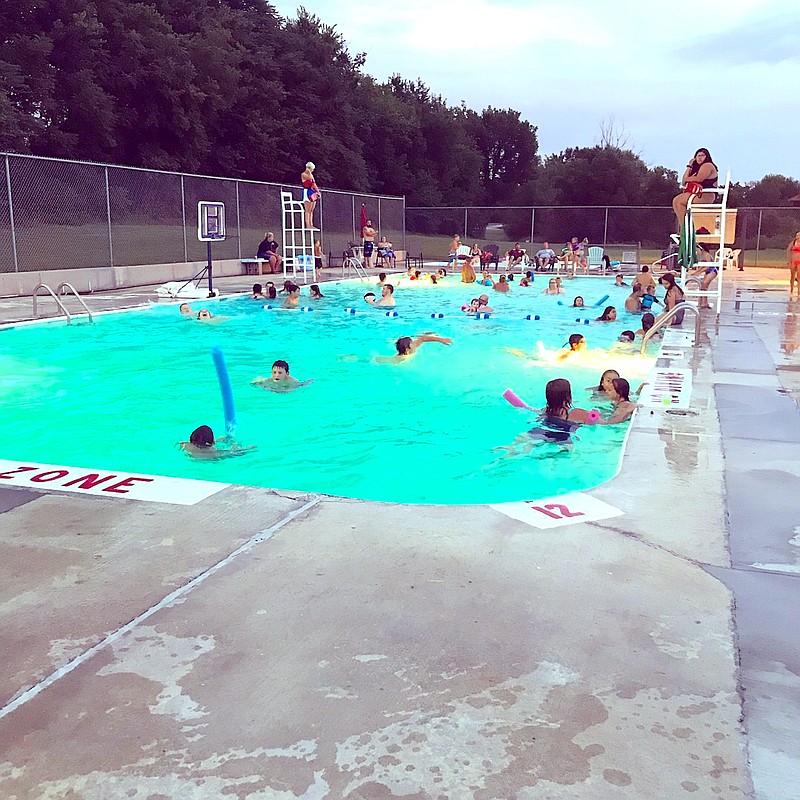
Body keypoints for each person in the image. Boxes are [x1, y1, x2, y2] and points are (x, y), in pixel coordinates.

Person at [673, 148, 718, 225]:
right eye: (698, 156)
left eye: (702, 155)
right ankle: (685, 227)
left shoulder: (708, 165)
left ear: (707, 157)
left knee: (678, 201)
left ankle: (685, 228)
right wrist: (689, 166)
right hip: (698, 194)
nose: (700, 158)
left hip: (706, 195)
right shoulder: (697, 169)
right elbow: (684, 181)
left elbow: (699, 179)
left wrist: (687, 179)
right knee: (677, 201)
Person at [180, 425, 254, 460]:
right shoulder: (214, 454)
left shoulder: (184, 445)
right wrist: (234, 444)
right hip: (210, 463)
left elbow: (201, 444)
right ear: (213, 443)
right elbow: (235, 452)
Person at [375, 333, 453, 364]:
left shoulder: (412, 347)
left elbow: (423, 338)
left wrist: (442, 340)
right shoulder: (401, 359)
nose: (414, 343)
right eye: (411, 343)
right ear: (407, 349)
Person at [301, 162, 320, 229]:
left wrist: (318, 192)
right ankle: (308, 225)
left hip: (312, 191)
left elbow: (314, 184)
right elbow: (309, 178)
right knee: (307, 210)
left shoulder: (311, 175)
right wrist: (309, 172)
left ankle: (311, 224)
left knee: (311, 210)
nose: (312, 170)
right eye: (312, 169)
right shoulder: (303, 174)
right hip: (307, 191)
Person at [787, 231, 800, 297]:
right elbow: (788, 250)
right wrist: (789, 260)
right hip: (793, 260)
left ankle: (799, 292)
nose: (797, 237)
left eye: (799, 236)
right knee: (792, 276)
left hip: (799, 261)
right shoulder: (793, 243)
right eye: (797, 236)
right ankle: (791, 290)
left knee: (799, 276)